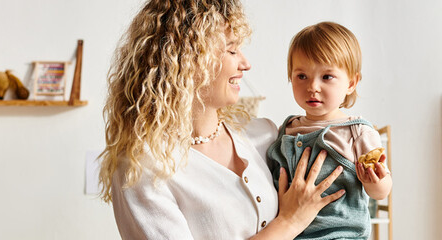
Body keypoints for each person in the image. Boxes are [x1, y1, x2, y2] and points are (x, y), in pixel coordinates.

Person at [97, 0, 345, 239]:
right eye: (232, 49)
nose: (245, 63)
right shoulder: (143, 167)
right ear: (188, 59)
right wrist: (290, 222)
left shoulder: (263, 135)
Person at [266, 21, 393, 240]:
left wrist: (376, 182)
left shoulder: (357, 133)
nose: (312, 86)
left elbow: (381, 192)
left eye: (326, 77)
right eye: (301, 76)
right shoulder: (285, 129)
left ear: (351, 83)